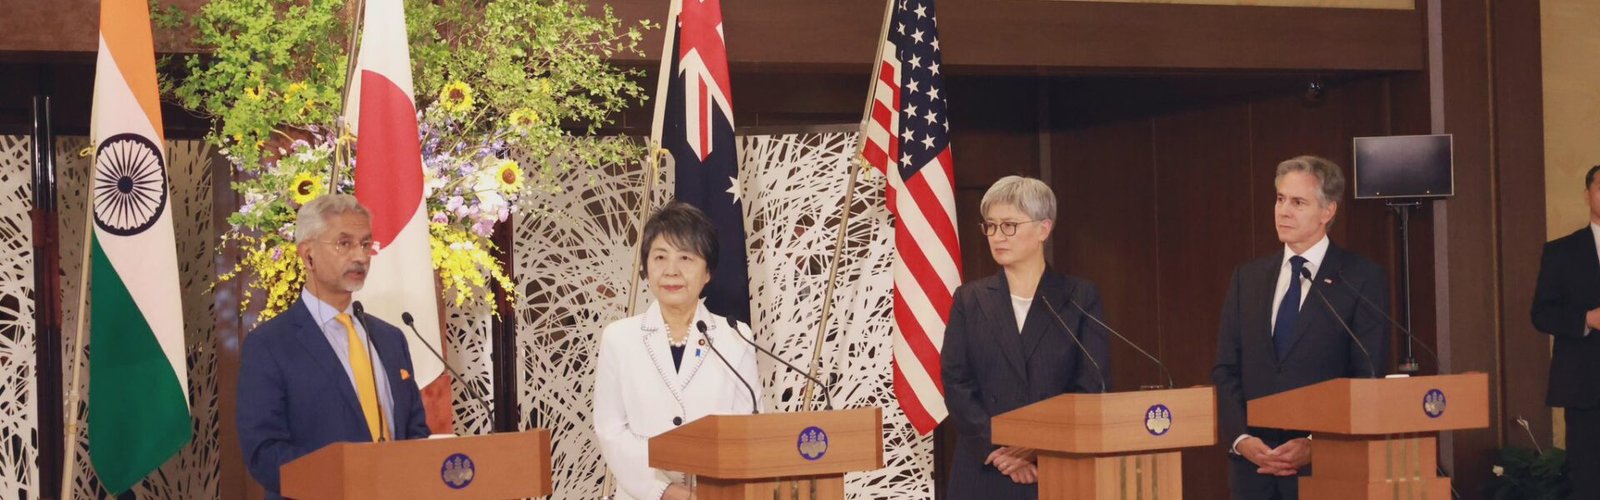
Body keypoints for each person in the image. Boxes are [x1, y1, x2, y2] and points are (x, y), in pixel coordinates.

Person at [1212, 156, 1389, 500]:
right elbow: (1225, 369)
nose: (1283, 211)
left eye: (1298, 202)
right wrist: (1242, 439)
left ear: (1328, 211)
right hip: (1253, 472)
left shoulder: (1360, 277)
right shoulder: (1247, 278)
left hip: (1325, 471)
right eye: (1280, 199)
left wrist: (1316, 444)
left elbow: (1366, 375)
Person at [236, 194, 431, 497]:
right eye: (344, 244)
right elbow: (264, 454)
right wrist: (349, 478)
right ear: (308, 254)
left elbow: (415, 431)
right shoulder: (270, 345)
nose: (361, 256)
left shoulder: (391, 338)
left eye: (366, 244)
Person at [941, 175, 1111, 500]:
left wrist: (1032, 449)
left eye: (1009, 225)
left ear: (1043, 230)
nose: (997, 236)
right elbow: (956, 382)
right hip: (984, 468)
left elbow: (1092, 386)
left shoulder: (1078, 297)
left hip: (1057, 467)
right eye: (990, 226)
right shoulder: (970, 299)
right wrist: (1001, 451)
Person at [593, 201, 761, 500]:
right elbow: (611, 430)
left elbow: (748, 426)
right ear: (645, 266)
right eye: (660, 257)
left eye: (686, 258)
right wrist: (663, 490)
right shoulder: (619, 339)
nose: (671, 271)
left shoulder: (735, 337)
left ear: (707, 272)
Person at [1531, 164, 1600, 499]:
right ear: (1588, 194)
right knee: (1588, 479)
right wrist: (1586, 319)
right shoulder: (1562, 251)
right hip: (1585, 387)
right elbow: (1541, 314)